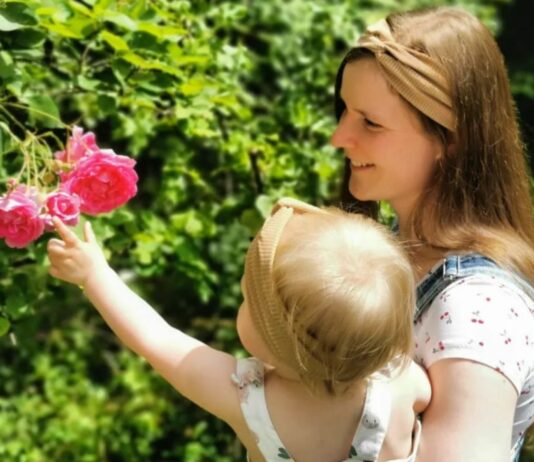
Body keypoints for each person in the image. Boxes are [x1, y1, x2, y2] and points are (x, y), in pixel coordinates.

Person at [47, 197, 430, 462]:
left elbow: (156, 339)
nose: (240, 299)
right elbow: (427, 397)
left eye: (248, 300)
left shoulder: (249, 402)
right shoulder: (399, 383)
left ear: (278, 343)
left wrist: (94, 275)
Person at [331, 6, 534, 461]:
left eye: (371, 122)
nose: (340, 137)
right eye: (345, 110)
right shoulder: (391, 250)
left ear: (451, 138)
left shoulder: (477, 307)